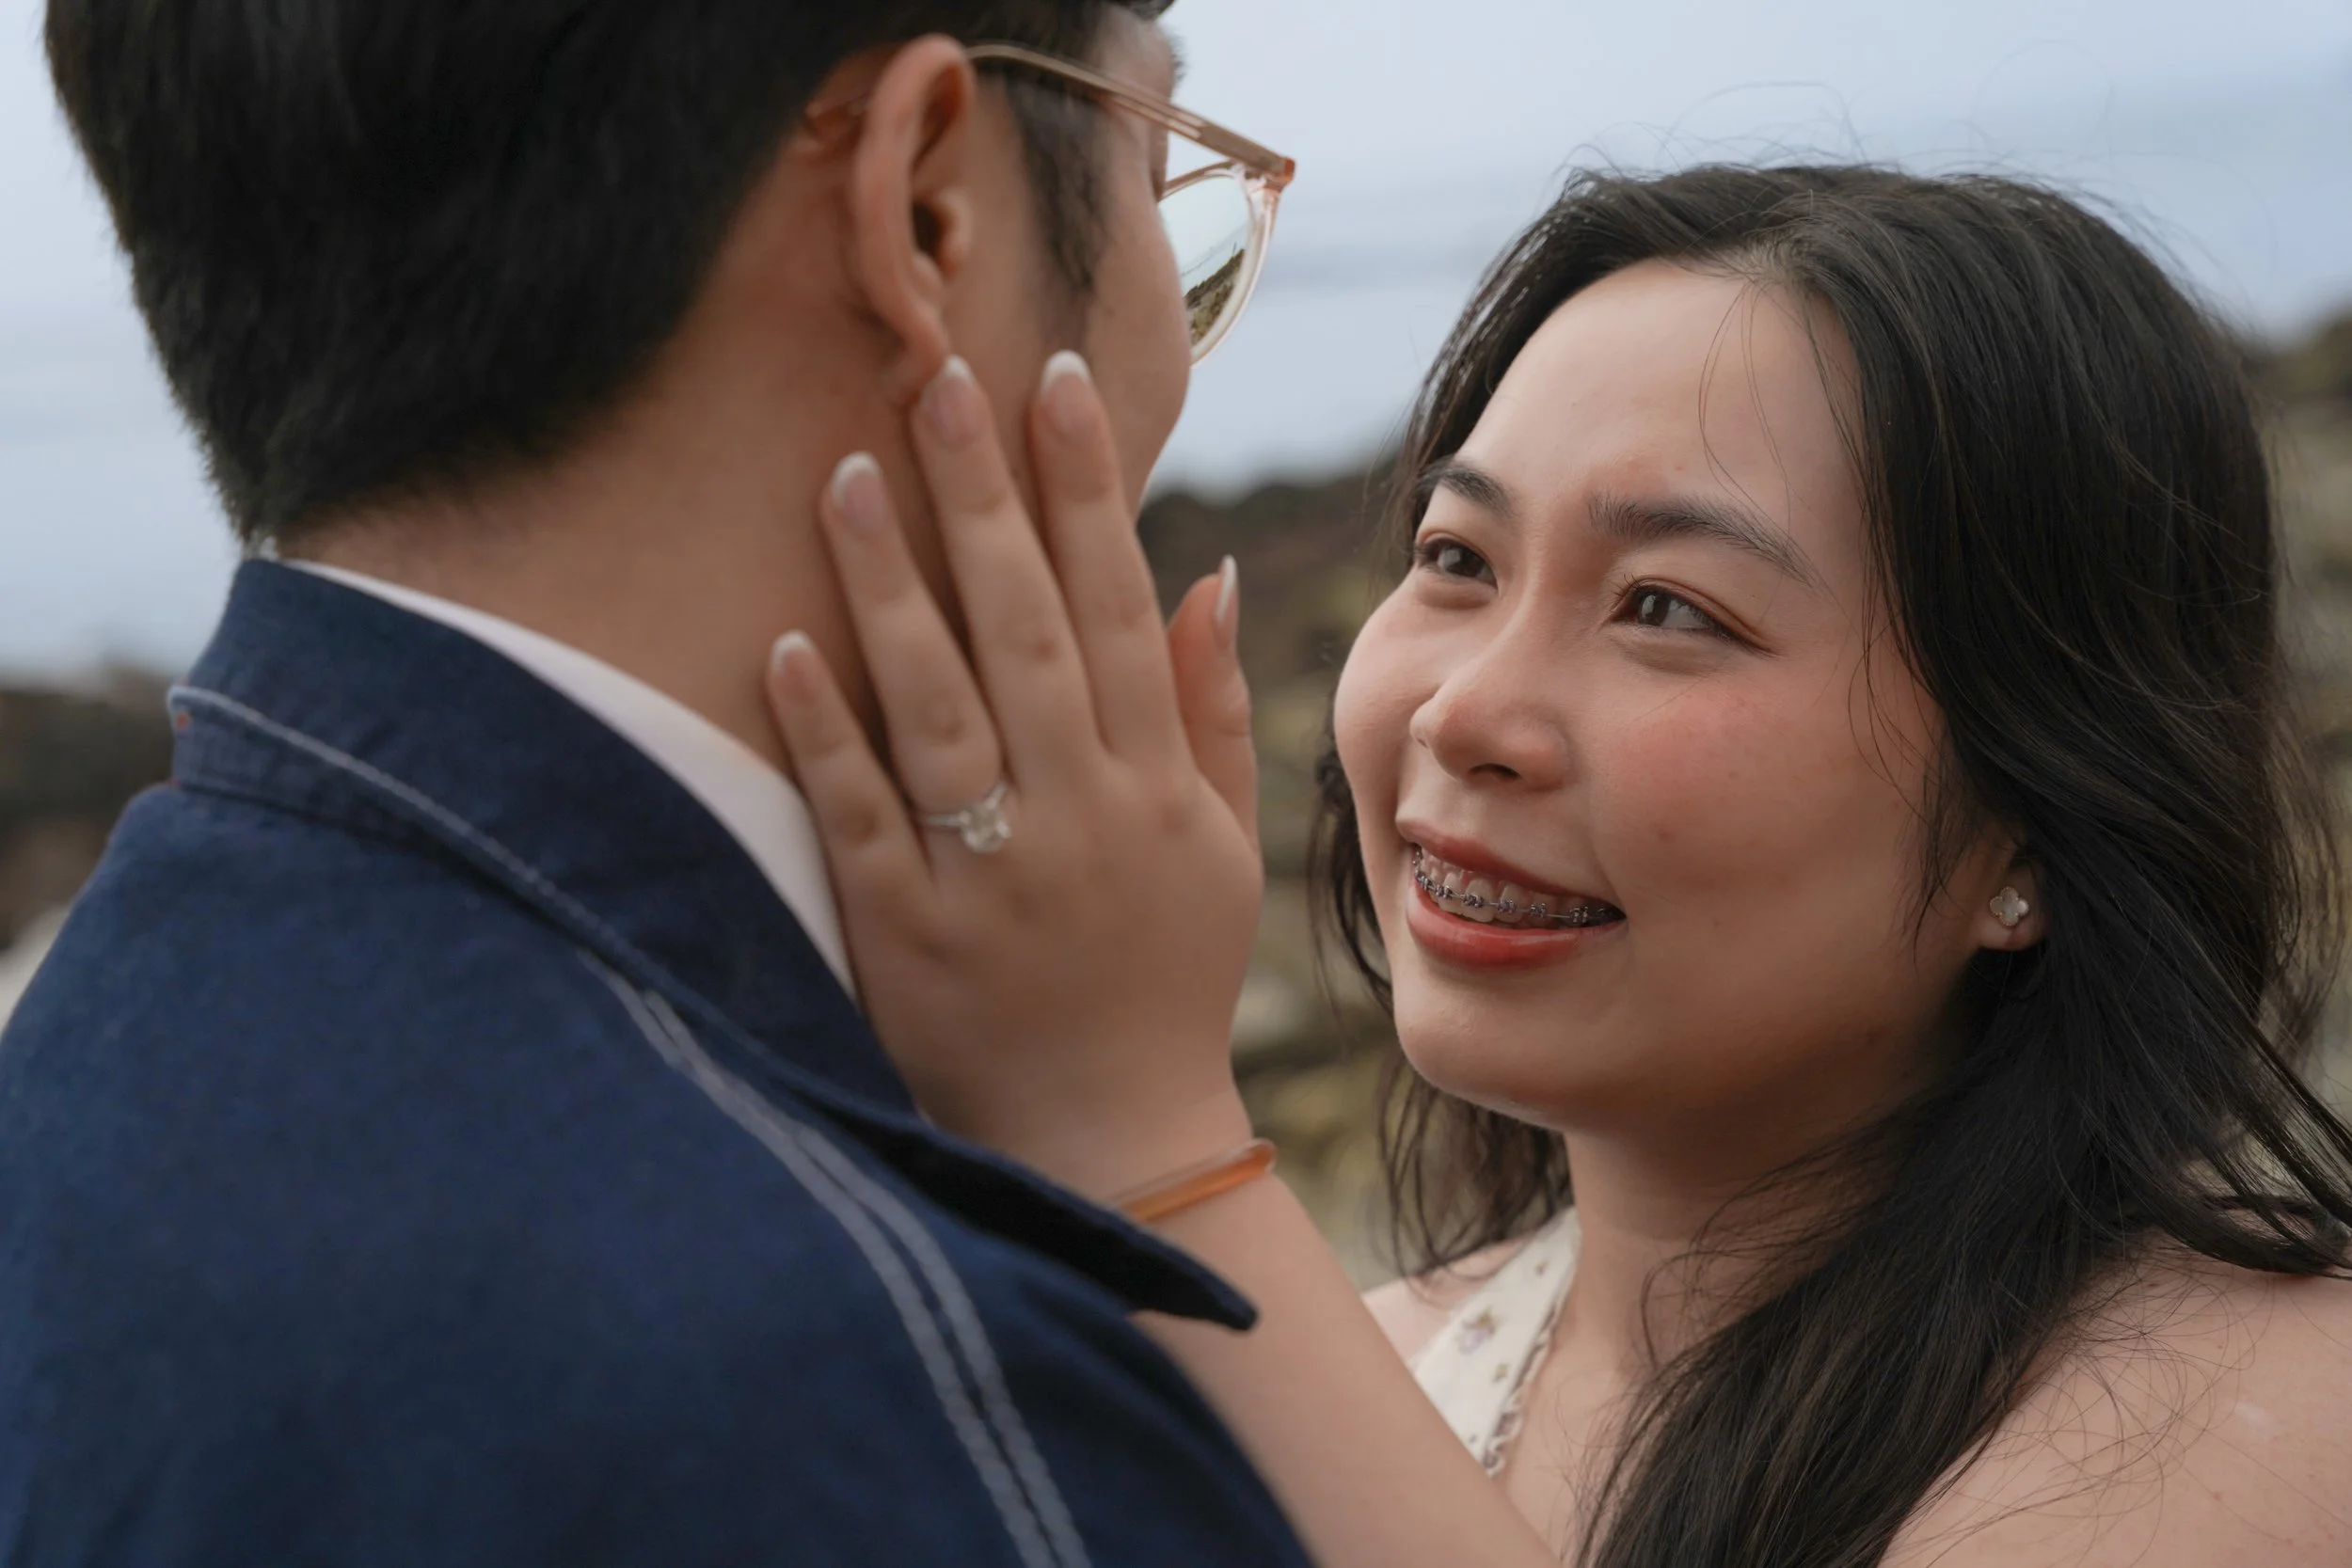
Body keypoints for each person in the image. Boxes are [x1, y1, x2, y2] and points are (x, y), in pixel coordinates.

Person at [764, 165, 2352, 1565]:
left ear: (2035, 823)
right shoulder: (1365, 1367)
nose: (1465, 712)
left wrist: (1148, 1148)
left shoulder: (2282, 1411)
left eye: (1670, 606)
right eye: (1456, 558)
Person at [0, 3, 1322, 1563]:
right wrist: (1149, 1142)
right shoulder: (857, 1392)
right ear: (923, 208)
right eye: (1164, 175)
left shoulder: (87, 1053)